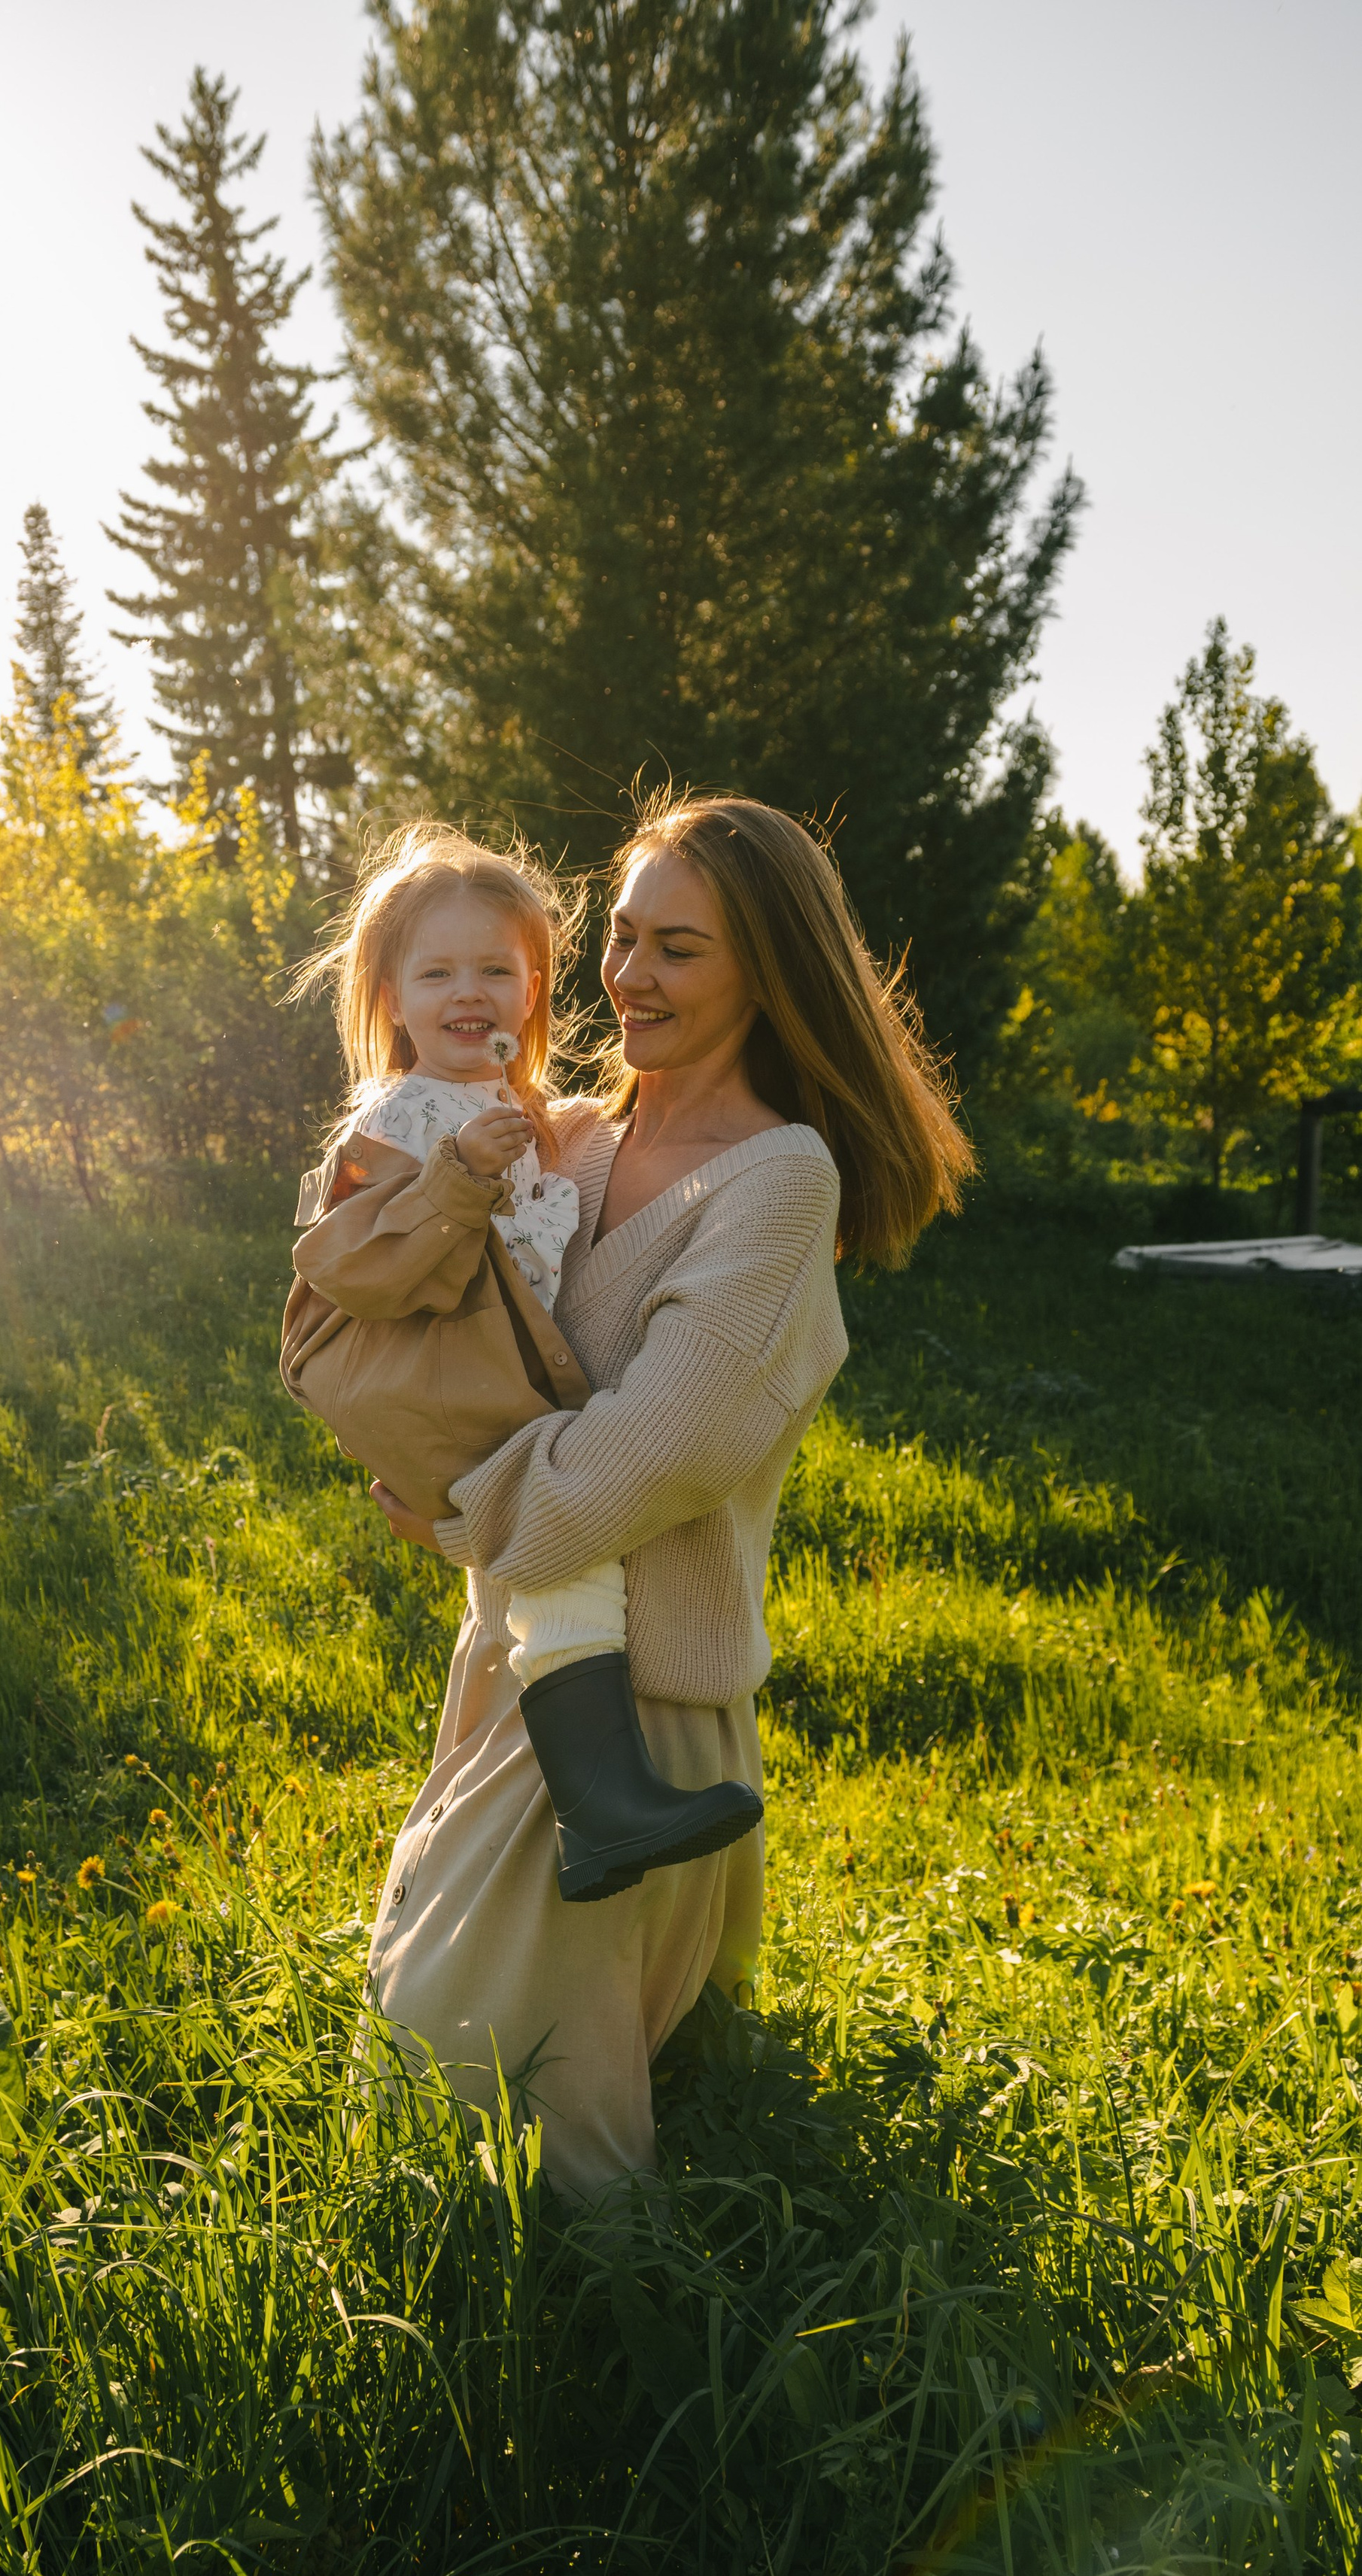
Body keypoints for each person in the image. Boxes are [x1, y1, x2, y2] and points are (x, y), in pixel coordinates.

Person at [360, 793, 974, 2202]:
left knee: (515, 2117)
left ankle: (637, 2377)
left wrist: (457, 1509)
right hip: (511, 1660)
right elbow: (427, 1317)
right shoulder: (562, 1143)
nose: (629, 976)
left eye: (679, 949)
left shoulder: (776, 1185)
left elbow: (655, 1457)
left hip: (645, 1711)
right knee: (440, 2081)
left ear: (768, 970)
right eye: (622, 938)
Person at [284, 825, 762, 1903]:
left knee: (565, 1562)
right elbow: (351, 1264)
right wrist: (455, 1174)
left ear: (535, 990)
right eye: (438, 972)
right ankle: (604, 1801)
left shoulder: (509, 1110)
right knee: (566, 1536)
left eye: (498, 970)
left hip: (484, 1372)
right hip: (432, 1377)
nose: (471, 993)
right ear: (392, 998)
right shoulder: (401, 1116)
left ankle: (601, 1804)